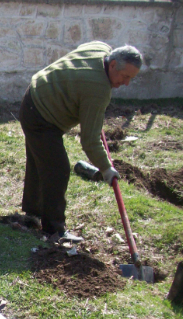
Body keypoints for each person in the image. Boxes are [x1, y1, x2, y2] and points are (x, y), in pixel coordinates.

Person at [19, 42, 142, 242]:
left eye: (131, 78)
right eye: (125, 76)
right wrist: (106, 168)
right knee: (57, 169)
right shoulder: (98, 90)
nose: (126, 83)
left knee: (40, 161)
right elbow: (90, 141)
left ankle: (33, 212)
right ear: (112, 65)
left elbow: (88, 46)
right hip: (41, 116)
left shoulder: (101, 48)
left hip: (34, 95)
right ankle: (54, 230)